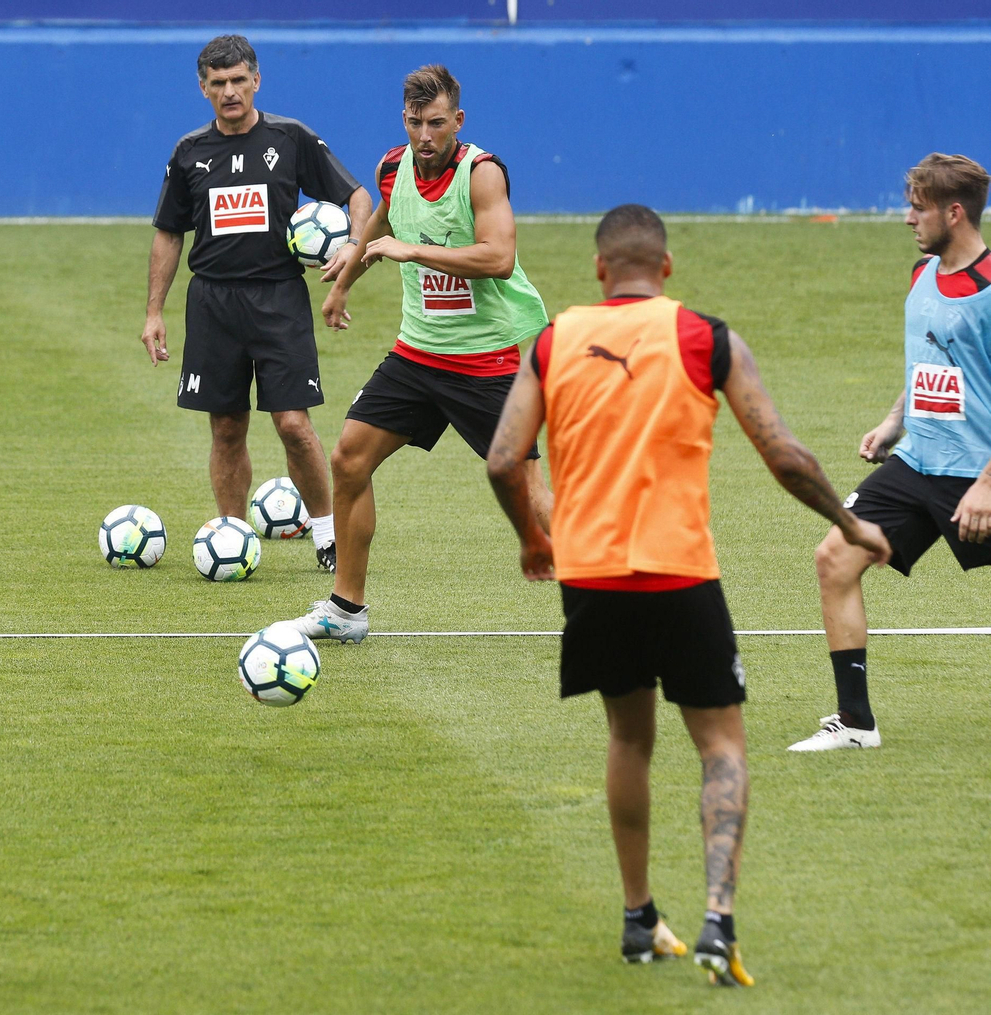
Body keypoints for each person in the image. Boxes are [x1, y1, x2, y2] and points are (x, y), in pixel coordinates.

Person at [485, 205, 890, 985]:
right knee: (721, 745)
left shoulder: (553, 338)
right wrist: (851, 522)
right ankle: (716, 918)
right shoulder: (706, 337)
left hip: (593, 575)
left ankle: (638, 918)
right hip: (681, 574)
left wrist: (536, 541)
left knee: (629, 741)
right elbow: (785, 454)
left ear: (600, 271)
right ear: (665, 268)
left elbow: (505, 459)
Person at [288, 65, 552, 643]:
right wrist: (341, 286)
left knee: (529, 496)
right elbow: (381, 223)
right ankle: (346, 609)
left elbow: (498, 258)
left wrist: (414, 251)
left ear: (458, 120)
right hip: (417, 357)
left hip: (485, 364)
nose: (425, 135)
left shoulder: (481, 175)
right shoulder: (392, 166)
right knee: (349, 460)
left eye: (437, 123)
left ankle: (615, 600)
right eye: (415, 122)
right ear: (403, 119)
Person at [142, 34, 372, 570]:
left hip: (278, 301)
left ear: (256, 80)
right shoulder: (189, 153)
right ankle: (231, 536)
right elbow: (169, 232)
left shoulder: (290, 139)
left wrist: (352, 251)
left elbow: (357, 196)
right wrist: (154, 311)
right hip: (212, 303)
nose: (229, 91)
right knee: (226, 427)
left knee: (293, 424)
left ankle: (326, 536)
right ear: (203, 88)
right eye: (218, 83)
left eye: (238, 80)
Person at [791, 153, 991, 751]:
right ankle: (855, 723)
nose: (908, 218)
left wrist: (985, 484)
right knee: (836, 558)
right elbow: (932, 360)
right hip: (919, 462)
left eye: (918, 207)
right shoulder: (920, 274)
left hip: (976, 473)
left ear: (954, 213)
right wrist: (894, 421)